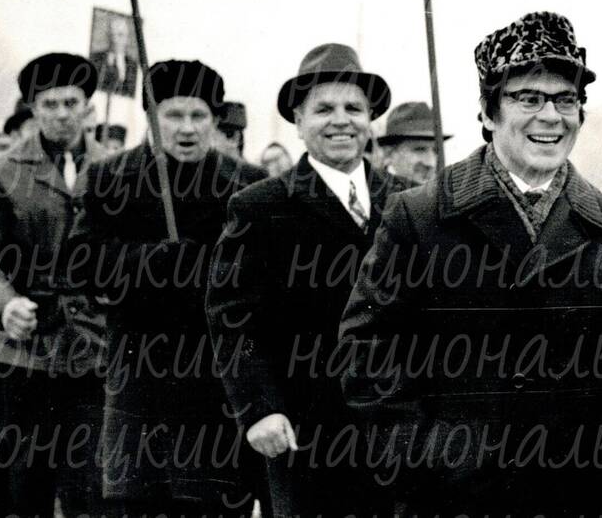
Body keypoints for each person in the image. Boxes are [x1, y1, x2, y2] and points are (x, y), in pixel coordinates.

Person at [339, 12, 602, 518]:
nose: (551, 116)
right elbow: (366, 348)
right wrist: (416, 461)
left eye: (566, 99)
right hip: (446, 500)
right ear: (489, 112)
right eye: (528, 98)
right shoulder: (422, 216)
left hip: (567, 497)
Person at [207, 43, 410, 517]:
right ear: (298, 122)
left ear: (371, 120)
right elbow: (232, 317)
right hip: (304, 430)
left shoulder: (409, 202)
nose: (340, 120)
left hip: (398, 429)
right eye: (324, 109)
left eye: (353, 108)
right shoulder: (260, 206)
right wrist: (259, 407)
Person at [70, 60, 265, 517]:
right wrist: (153, 259)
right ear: (151, 117)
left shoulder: (249, 186)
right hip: (139, 383)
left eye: (199, 116)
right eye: (173, 115)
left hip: (217, 385)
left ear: (215, 120)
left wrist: (209, 268)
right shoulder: (107, 179)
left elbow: (266, 276)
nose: (187, 129)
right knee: (137, 504)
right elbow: (79, 265)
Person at [0, 53, 112, 518]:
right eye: (50, 104)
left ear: (88, 106)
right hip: (27, 352)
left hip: (96, 351)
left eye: (72, 102)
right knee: (26, 483)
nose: (62, 114)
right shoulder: (1, 174)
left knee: (89, 485)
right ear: (33, 109)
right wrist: (5, 306)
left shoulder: (119, 169)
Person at [378, 100, 450, 184]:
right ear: (388, 154)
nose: (431, 163)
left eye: (436, 151)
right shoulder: (367, 194)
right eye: (419, 149)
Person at [90, 15, 139, 97]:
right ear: (107, 36)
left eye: (120, 35)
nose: (115, 40)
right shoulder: (93, 59)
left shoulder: (134, 67)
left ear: (127, 39)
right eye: (112, 34)